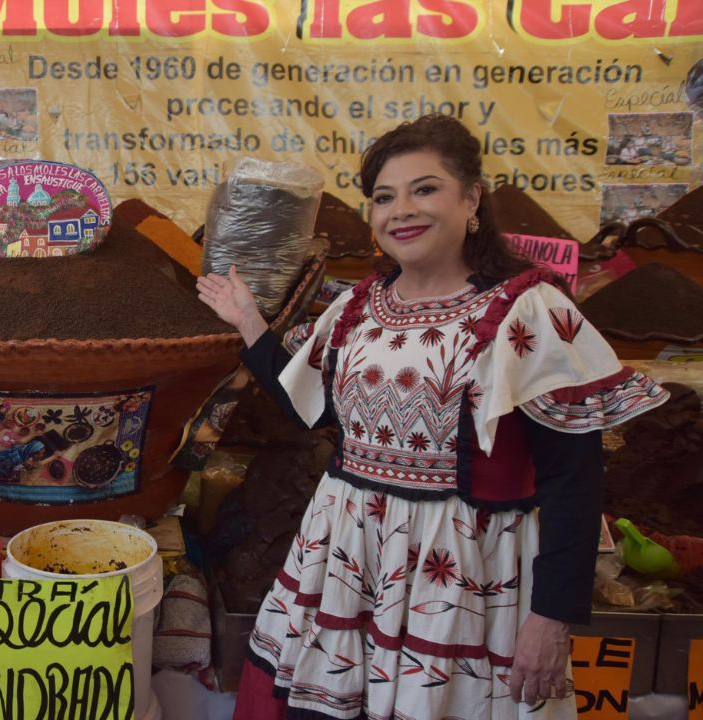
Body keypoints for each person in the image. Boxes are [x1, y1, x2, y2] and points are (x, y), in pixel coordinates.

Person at [198, 113, 667, 720]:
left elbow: (574, 479)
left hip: (463, 576)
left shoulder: (529, 310)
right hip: (344, 560)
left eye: (425, 189)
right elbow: (307, 410)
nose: (401, 211)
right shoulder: (356, 308)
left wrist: (551, 617)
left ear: (471, 198)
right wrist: (250, 323)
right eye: (383, 197)